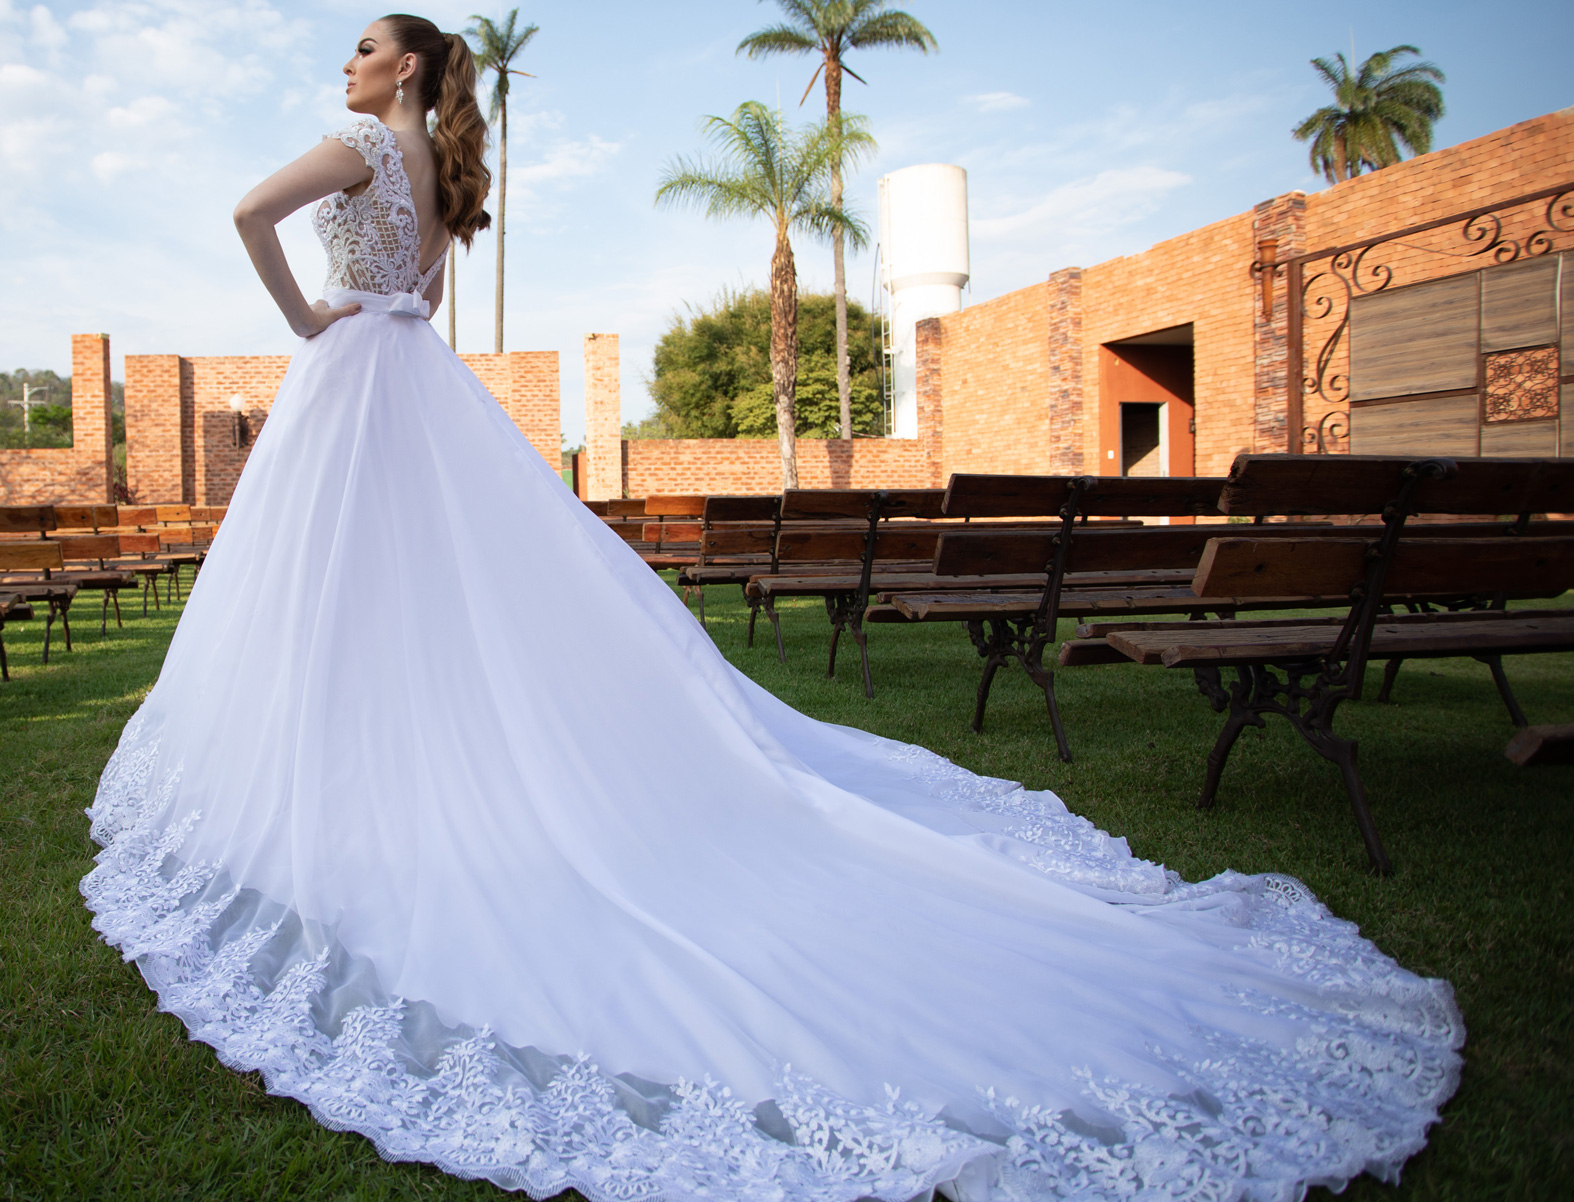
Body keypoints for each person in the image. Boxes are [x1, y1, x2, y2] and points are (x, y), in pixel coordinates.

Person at [83, 13, 1462, 1201]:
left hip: (353, 381)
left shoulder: (362, 151)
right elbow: (422, 292)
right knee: (422, 600)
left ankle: (357, 791)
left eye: (366, 44)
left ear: (405, 73)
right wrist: (365, 311)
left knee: (349, 599)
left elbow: (246, 216)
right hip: (415, 387)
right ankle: (397, 782)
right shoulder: (438, 183)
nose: (346, 57)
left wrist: (309, 320)